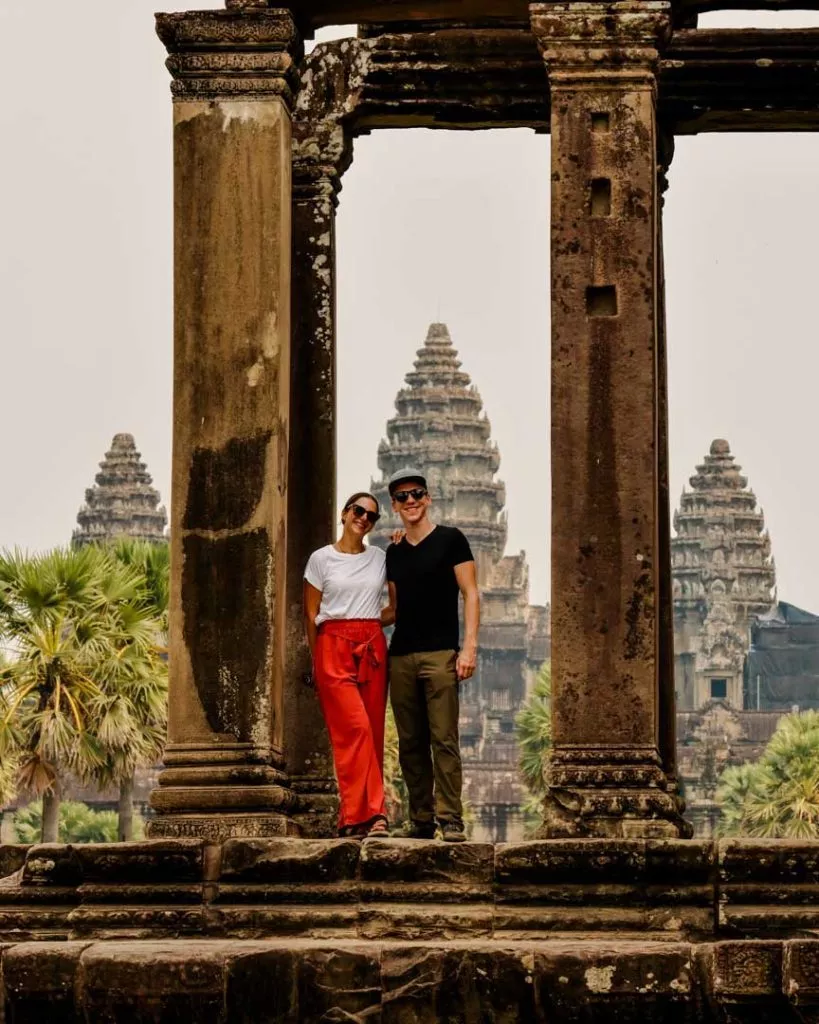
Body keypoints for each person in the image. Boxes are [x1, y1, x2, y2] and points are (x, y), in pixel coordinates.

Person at [386, 467, 480, 842]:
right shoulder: (392, 552)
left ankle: (450, 819)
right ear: (394, 506)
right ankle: (420, 820)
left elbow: (470, 593)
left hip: (441, 654)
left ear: (428, 498)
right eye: (403, 497)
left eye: (417, 494)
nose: (411, 501)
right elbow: (393, 610)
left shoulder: (451, 540)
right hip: (401, 655)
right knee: (410, 742)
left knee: (443, 738)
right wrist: (342, 623)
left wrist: (469, 647)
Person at [304, 492, 395, 839]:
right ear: (344, 513)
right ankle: (375, 814)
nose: (363, 519)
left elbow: (394, 608)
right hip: (332, 645)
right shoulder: (320, 560)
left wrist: (367, 625)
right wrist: (319, 659)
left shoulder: (381, 558)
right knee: (353, 730)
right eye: (358, 511)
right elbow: (310, 615)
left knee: (370, 732)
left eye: (371, 516)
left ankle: (352, 818)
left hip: (371, 645)